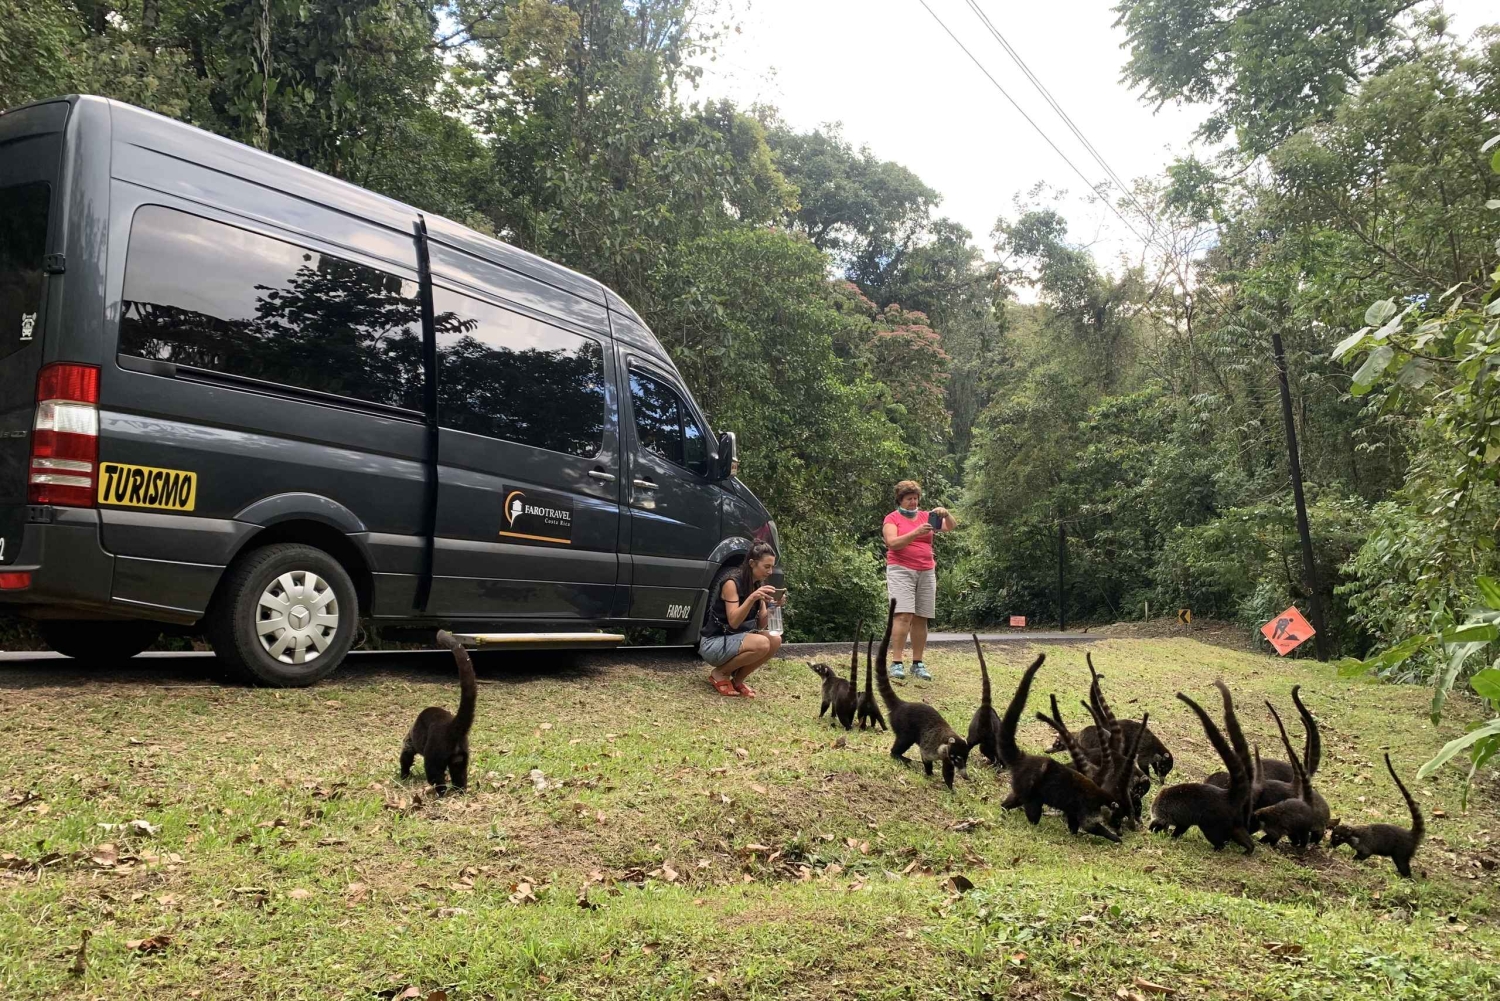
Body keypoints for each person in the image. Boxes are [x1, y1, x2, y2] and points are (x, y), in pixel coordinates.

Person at [881, 480, 954, 681]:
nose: (913, 502)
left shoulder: (925, 516)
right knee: (903, 615)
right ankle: (896, 662)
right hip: (900, 569)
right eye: (909, 499)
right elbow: (892, 543)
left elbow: (950, 527)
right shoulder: (892, 518)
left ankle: (917, 662)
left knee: (921, 617)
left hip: (926, 570)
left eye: (915, 499)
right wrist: (915, 532)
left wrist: (946, 513)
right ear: (900, 500)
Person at [699, 542, 783, 698]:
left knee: (775, 639)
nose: (770, 571)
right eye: (766, 567)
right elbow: (734, 622)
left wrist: (774, 606)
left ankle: (738, 680)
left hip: (736, 640)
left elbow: (761, 624)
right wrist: (752, 598)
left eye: (772, 567)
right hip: (714, 642)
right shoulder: (731, 583)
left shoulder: (758, 584)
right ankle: (720, 674)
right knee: (762, 643)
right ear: (752, 563)